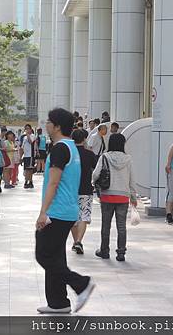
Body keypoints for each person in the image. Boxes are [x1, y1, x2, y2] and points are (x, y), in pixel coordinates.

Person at [35, 108, 94, 314]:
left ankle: (81, 284)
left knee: (43, 255)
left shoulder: (60, 149)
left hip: (57, 212)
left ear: (58, 126)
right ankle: (58, 303)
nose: (46, 124)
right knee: (56, 257)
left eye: (49, 121)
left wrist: (43, 212)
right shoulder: (71, 147)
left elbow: (53, 182)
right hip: (67, 210)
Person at [92, 133, 138, 261]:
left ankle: (104, 250)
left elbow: (96, 174)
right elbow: (132, 179)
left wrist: (93, 182)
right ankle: (121, 253)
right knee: (121, 226)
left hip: (107, 195)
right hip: (123, 197)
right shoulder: (128, 159)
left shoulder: (104, 157)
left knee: (106, 225)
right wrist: (133, 196)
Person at [70, 129, 96, 255]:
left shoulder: (68, 154)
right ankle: (79, 241)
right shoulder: (90, 154)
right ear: (84, 139)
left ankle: (76, 241)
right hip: (86, 189)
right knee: (83, 217)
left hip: (70, 191)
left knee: (73, 218)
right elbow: (96, 170)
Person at [20, 124, 37, 189]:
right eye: (26, 128)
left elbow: (30, 142)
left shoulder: (32, 136)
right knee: (26, 169)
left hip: (30, 155)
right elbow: (22, 147)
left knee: (29, 169)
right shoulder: (24, 138)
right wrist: (21, 157)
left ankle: (28, 181)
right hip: (26, 155)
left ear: (30, 129)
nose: (27, 130)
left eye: (28, 128)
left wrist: (27, 135)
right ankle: (29, 181)